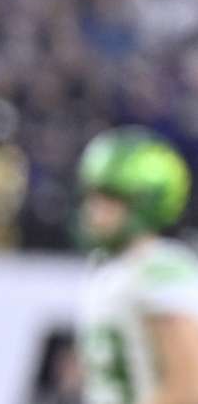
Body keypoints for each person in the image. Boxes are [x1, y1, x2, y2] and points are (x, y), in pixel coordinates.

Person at [75, 127, 198, 404]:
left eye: (109, 199)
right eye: (92, 196)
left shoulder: (162, 267)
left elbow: (188, 387)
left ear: (145, 202)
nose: (93, 209)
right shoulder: (107, 269)